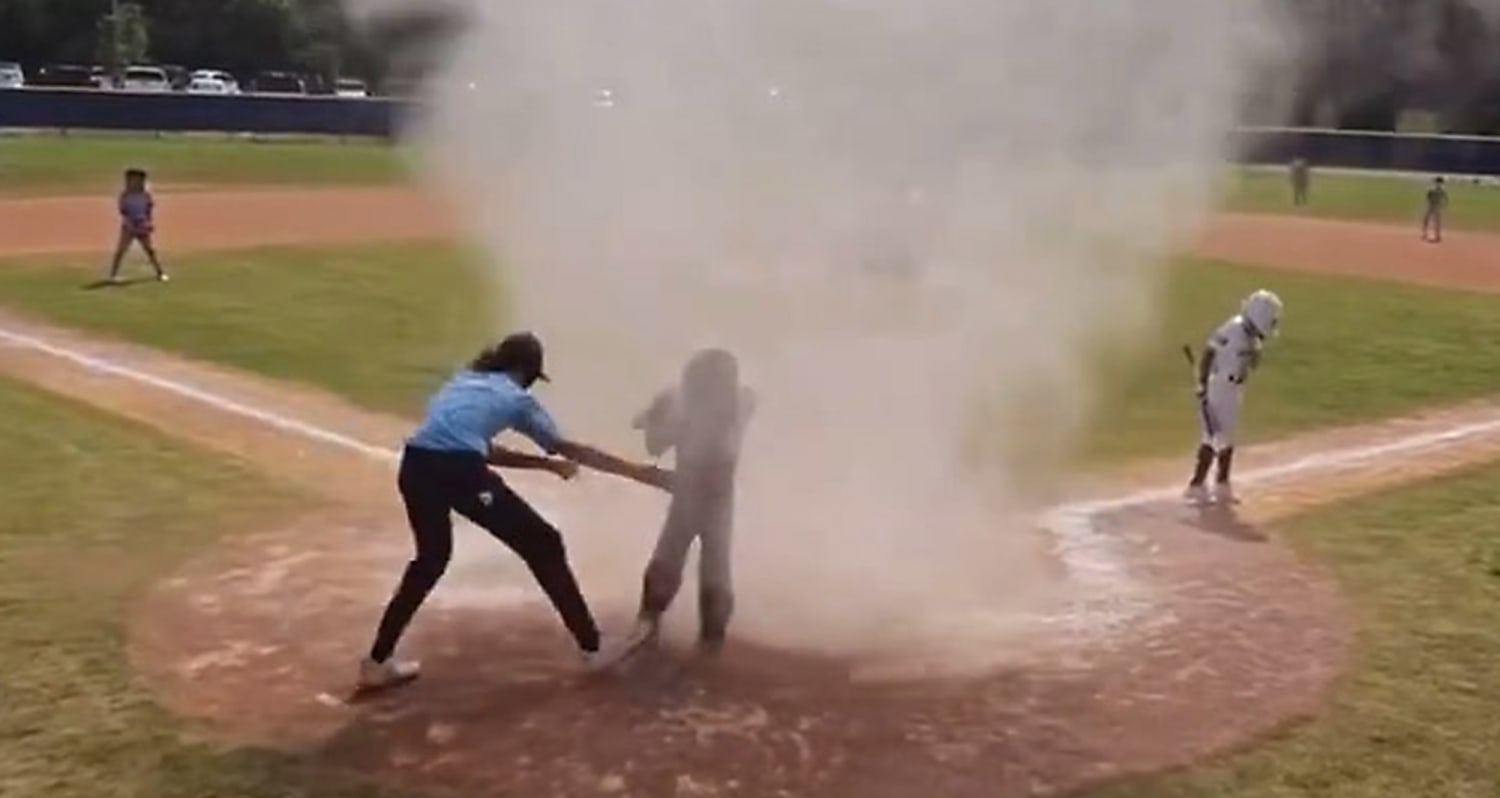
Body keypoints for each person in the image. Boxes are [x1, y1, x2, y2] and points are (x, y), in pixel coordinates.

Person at [359, 331, 673, 692]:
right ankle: (593, 648)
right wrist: (640, 474)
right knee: (544, 543)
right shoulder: (516, 399)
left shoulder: (464, 381)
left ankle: (376, 662)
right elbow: (568, 448)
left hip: (414, 467)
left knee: (430, 560)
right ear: (527, 371)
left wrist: (545, 466)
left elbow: (479, 449)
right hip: (456, 472)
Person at [601, 348, 756, 665]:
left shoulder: (701, 407)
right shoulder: (733, 400)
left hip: (706, 494)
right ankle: (688, 635)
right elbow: (659, 442)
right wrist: (656, 416)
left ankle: (668, 629)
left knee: (696, 562)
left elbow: (657, 443)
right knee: (694, 561)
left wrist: (656, 420)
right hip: (701, 492)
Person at [1182, 290, 1283, 506]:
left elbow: (1251, 365)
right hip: (1219, 387)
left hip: (1235, 389)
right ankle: (1196, 485)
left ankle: (1222, 484)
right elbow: (1209, 353)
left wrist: (1255, 356)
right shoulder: (1232, 328)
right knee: (1212, 435)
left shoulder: (1253, 337)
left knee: (1228, 437)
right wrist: (1202, 383)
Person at [106, 168, 170, 284]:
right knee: (121, 251)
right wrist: (129, 223)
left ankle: (160, 272)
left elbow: (148, 209)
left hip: (142, 225)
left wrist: (148, 222)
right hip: (129, 227)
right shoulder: (125, 195)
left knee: (150, 250)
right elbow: (123, 211)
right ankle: (113, 275)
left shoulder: (145, 195)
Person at [1422, 176, 1449, 243]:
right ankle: (1425, 233)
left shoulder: (1441, 189)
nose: (1439, 183)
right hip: (1432, 206)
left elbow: (1446, 198)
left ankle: (1437, 235)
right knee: (1427, 220)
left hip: (1436, 207)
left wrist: (1443, 205)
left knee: (1436, 221)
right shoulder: (1432, 189)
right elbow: (1428, 196)